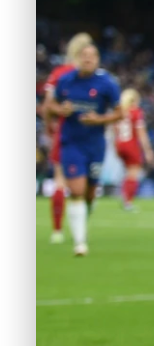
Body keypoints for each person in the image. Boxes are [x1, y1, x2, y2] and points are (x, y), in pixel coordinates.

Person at [43, 44, 121, 256]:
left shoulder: (107, 83)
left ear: (98, 59)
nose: (88, 59)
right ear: (78, 58)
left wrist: (99, 119)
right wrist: (60, 110)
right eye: (84, 56)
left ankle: (81, 222)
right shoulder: (65, 81)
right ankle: (80, 242)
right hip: (71, 143)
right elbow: (49, 106)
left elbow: (120, 113)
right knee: (76, 190)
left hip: (95, 145)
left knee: (89, 193)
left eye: (92, 56)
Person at [40, 32, 93, 243]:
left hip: (65, 135)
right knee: (87, 185)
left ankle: (57, 230)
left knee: (60, 181)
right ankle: (80, 228)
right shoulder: (93, 75)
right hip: (89, 137)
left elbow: (47, 106)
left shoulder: (59, 73)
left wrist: (50, 128)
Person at [114, 88, 154, 212]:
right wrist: (148, 150)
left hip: (120, 144)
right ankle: (128, 201)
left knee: (128, 173)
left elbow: (114, 129)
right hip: (131, 145)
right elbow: (141, 133)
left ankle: (124, 195)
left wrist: (116, 147)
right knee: (134, 174)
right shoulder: (136, 112)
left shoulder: (121, 112)